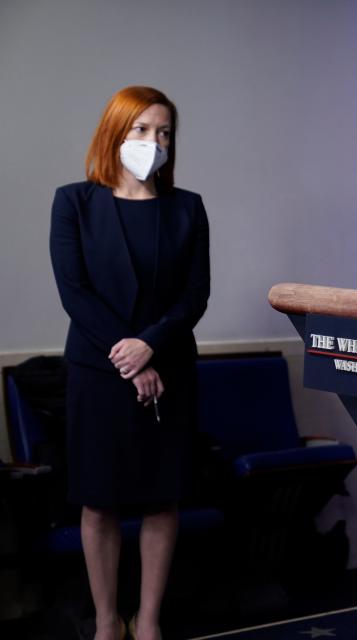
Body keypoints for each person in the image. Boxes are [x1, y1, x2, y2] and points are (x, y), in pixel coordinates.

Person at [50, 86, 210, 640]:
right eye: (142, 129)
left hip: (171, 372)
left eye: (164, 132)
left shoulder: (187, 206)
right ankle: (106, 623)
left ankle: (148, 622)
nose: (154, 141)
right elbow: (75, 291)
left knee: (163, 500)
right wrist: (130, 357)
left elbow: (195, 296)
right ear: (115, 133)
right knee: (100, 503)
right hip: (99, 375)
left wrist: (152, 347)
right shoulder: (74, 201)